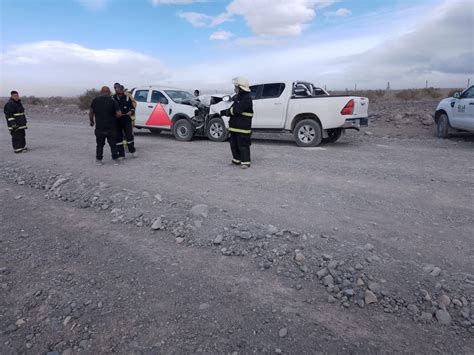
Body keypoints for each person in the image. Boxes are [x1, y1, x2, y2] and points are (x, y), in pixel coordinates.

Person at [220, 77, 254, 169]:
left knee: (243, 145)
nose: (235, 89)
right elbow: (233, 107)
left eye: (236, 87)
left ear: (241, 88)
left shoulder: (247, 98)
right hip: (235, 127)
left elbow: (237, 110)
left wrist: (226, 112)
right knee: (233, 145)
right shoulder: (238, 97)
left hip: (243, 128)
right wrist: (225, 111)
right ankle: (236, 160)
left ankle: (245, 162)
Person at [89, 86, 121, 165]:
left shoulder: (95, 101)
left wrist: (91, 121)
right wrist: (115, 117)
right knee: (113, 144)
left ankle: (98, 160)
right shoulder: (113, 101)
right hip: (111, 127)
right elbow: (119, 114)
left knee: (99, 144)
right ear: (109, 92)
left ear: (101, 91)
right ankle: (115, 160)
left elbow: (90, 112)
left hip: (99, 127)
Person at [113, 85, 136, 159]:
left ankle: (132, 151)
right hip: (117, 121)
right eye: (117, 89)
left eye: (120, 89)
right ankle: (121, 154)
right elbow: (109, 109)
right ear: (116, 90)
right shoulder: (112, 98)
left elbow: (132, 108)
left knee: (129, 136)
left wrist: (131, 112)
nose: (119, 90)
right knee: (118, 138)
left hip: (126, 120)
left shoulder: (127, 97)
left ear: (123, 90)